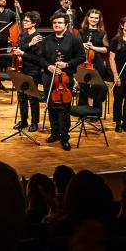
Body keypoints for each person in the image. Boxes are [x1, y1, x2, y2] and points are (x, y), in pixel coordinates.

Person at [40, 13, 85, 150]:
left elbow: (81, 57)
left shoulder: (74, 39)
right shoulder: (46, 40)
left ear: (66, 24)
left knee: (64, 109)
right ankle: (54, 133)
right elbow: (40, 58)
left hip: (65, 78)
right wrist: (49, 66)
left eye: (59, 22)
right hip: (49, 77)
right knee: (51, 106)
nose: (57, 25)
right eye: (54, 23)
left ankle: (64, 137)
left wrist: (67, 64)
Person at [10, 11, 45, 131]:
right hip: (21, 69)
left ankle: (34, 122)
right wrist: (29, 44)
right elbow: (17, 50)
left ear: (34, 23)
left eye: (27, 21)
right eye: (24, 20)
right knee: (21, 97)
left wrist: (23, 53)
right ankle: (23, 120)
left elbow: (38, 59)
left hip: (33, 71)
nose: (23, 22)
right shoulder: (23, 36)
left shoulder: (39, 38)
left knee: (32, 97)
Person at [77, 9, 111, 114]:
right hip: (83, 61)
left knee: (97, 86)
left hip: (97, 62)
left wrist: (93, 47)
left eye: (96, 18)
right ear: (87, 18)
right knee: (83, 85)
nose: (94, 20)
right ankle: (82, 111)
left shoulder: (102, 33)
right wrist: (82, 45)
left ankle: (96, 112)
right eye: (91, 17)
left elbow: (106, 49)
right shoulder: (81, 31)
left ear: (99, 19)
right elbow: (75, 46)